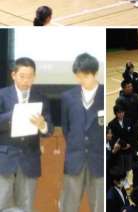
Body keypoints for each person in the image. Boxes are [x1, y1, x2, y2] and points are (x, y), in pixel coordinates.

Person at [0, 57, 53, 211]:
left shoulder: (41, 97)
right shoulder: (2, 95)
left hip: (30, 160)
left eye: (30, 76)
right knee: (2, 204)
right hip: (5, 160)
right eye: (22, 76)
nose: (26, 81)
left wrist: (43, 125)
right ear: (13, 75)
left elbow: (49, 129)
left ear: (34, 76)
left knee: (26, 206)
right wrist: (13, 114)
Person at [59, 53, 104, 212]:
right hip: (74, 160)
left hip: (99, 161)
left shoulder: (104, 94)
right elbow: (66, 129)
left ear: (95, 73)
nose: (81, 80)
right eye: (78, 76)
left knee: (99, 206)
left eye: (85, 76)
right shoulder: (67, 97)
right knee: (68, 206)